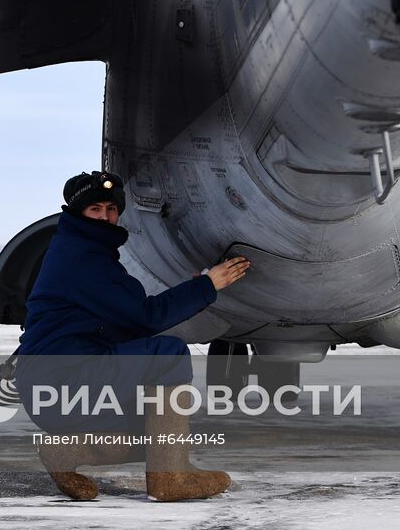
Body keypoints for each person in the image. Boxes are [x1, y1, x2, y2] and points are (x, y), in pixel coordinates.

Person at [15, 170, 250, 501]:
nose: (106, 216)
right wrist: (207, 286)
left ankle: (65, 452)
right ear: (78, 212)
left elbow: (124, 322)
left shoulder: (82, 250)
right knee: (168, 354)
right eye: (95, 209)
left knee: (158, 423)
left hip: (56, 387)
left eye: (111, 209)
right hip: (63, 380)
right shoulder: (83, 258)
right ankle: (171, 479)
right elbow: (144, 317)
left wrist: (195, 287)